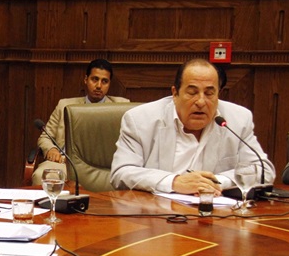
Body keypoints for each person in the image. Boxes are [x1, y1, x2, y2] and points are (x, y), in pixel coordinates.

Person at [110, 58, 275, 195]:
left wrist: (215, 182)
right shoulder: (140, 120)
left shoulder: (237, 119)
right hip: (156, 215)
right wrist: (175, 182)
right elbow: (121, 172)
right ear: (175, 94)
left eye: (209, 93)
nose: (201, 101)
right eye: (192, 92)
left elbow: (264, 170)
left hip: (216, 214)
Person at [32, 59, 129, 185]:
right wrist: (51, 149)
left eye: (104, 81)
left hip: (103, 166)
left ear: (109, 84)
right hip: (66, 164)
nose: (99, 86)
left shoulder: (120, 107)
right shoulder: (64, 105)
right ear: (86, 80)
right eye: (95, 79)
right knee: (41, 175)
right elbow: (45, 137)